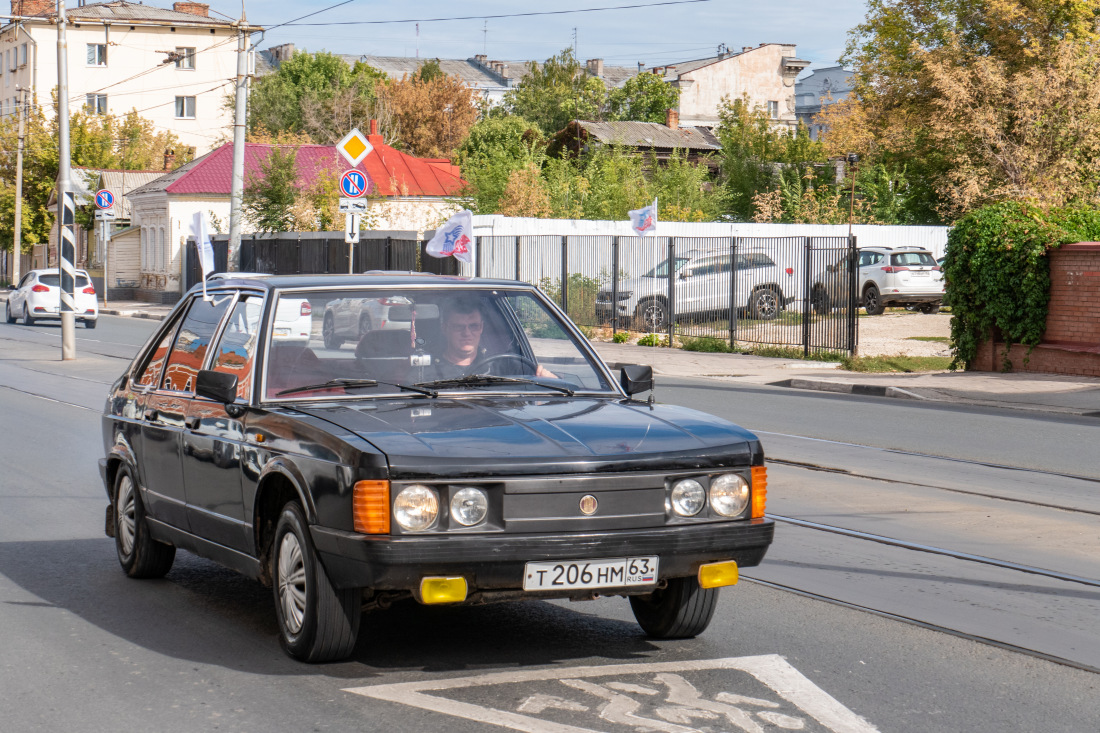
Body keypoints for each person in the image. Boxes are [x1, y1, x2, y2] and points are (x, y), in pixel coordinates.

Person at [429, 296, 557, 380]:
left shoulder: (505, 367)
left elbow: (556, 389)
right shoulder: (426, 372)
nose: (467, 333)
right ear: (445, 328)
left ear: (481, 327)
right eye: (458, 327)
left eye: (473, 326)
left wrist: (549, 379)